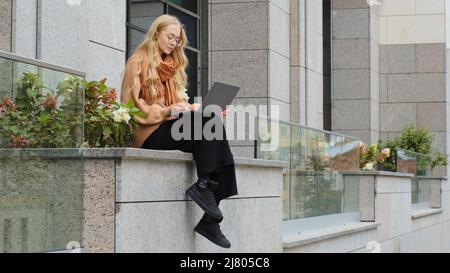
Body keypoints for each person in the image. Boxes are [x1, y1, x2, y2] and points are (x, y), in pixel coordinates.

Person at [120, 14, 238, 249]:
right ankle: (206, 198)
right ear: (156, 34)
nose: (174, 42)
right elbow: (131, 107)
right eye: (170, 36)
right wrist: (167, 112)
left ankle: (207, 205)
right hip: (149, 132)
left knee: (213, 126)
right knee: (208, 125)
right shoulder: (137, 62)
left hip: (169, 126)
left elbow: (178, 105)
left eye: (178, 39)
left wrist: (205, 109)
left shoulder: (172, 68)